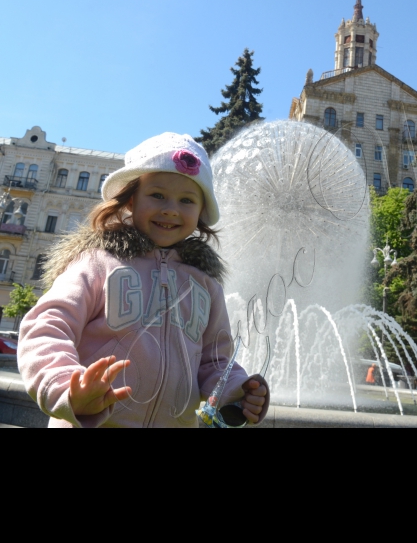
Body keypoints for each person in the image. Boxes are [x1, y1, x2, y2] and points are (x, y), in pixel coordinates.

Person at [18, 133, 269, 428]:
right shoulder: (97, 263)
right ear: (131, 200)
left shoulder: (205, 285)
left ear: (201, 212)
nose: (171, 209)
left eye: (187, 200)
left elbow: (215, 363)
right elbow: (45, 329)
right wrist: (65, 386)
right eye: (158, 195)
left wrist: (239, 391)